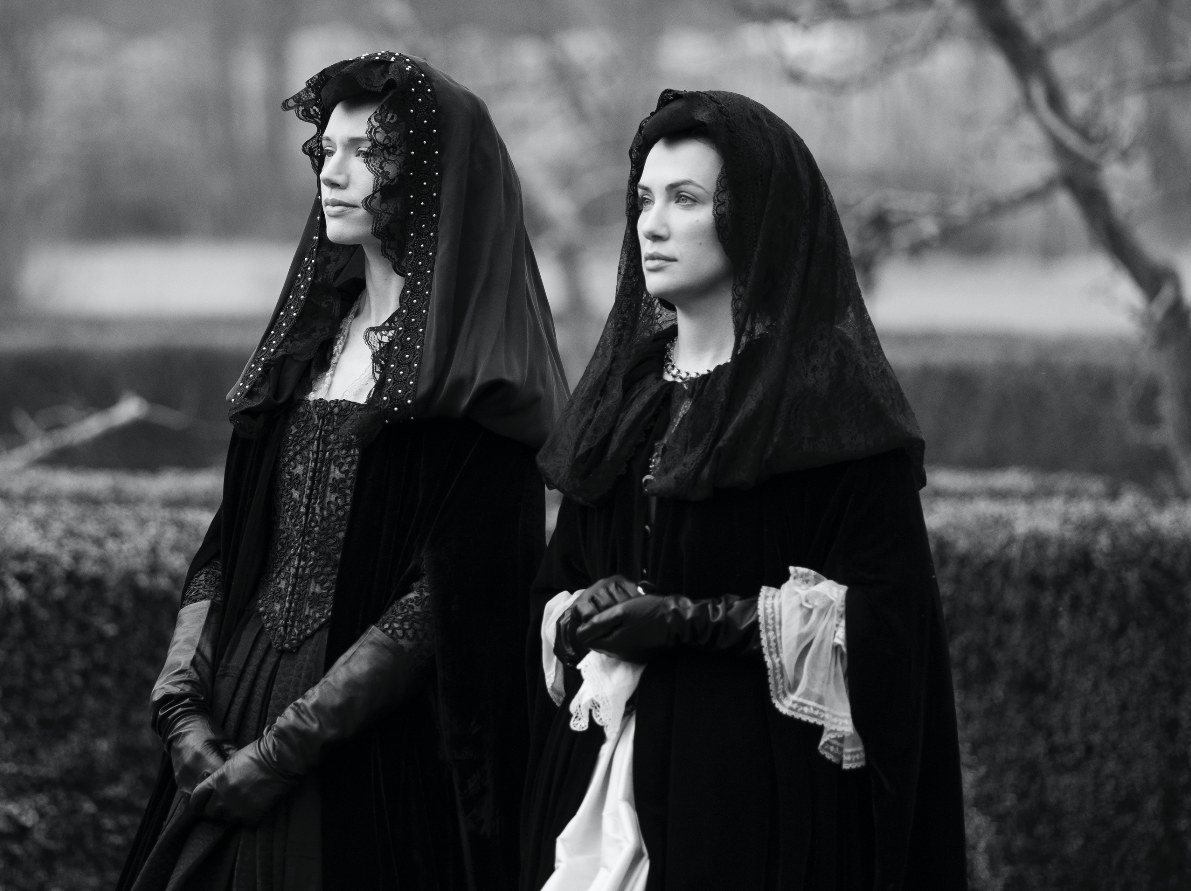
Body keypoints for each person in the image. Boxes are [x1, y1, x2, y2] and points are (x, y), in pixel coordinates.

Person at [117, 52, 569, 891]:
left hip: (373, 753)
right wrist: (180, 704)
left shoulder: (475, 382)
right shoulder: (302, 354)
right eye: (326, 150)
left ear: (429, 177)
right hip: (233, 704)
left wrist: (284, 750)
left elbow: (447, 602)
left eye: (368, 151)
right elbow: (230, 541)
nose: (335, 171)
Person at [520, 90, 968, 890]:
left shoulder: (827, 411)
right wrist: (580, 609)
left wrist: (690, 622)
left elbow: (883, 624)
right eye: (644, 200)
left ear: (755, 215)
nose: (651, 224)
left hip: (750, 801)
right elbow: (556, 580)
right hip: (599, 783)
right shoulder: (629, 398)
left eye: (685, 199)